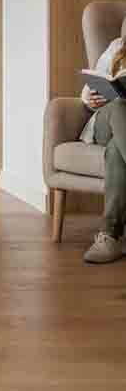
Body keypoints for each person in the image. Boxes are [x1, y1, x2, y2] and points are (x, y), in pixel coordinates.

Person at [79, 33, 126, 263]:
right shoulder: (116, 46)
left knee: (118, 149)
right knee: (120, 106)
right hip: (105, 121)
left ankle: (110, 236)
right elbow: (89, 90)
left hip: (120, 137)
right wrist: (91, 98)